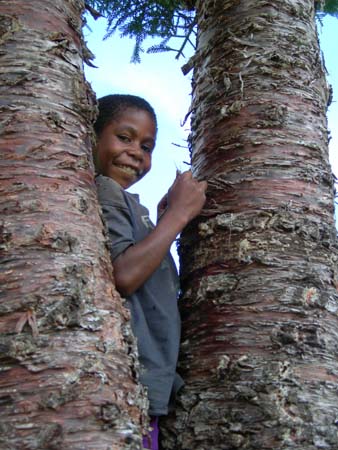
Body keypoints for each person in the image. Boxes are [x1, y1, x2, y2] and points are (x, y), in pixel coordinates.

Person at [93, 94, 207, 449]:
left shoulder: (127, 202)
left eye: (147, 145)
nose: (137, 153)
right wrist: (178, 217)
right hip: (132, 378)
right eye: (124, 138)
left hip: (150, 379)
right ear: (90, 136)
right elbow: (124, 275)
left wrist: (160, 223)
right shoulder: (103, 189)